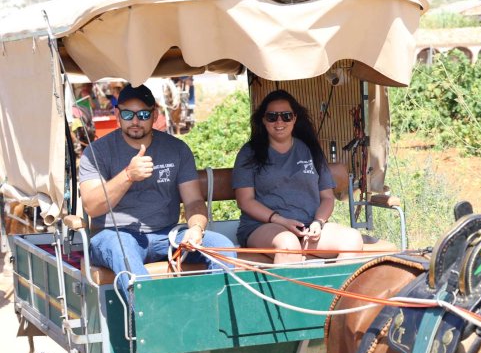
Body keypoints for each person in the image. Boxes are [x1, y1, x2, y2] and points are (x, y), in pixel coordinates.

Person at [78, 84, 236, 300]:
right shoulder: (97, 151)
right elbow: (92, 206)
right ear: (117, 114)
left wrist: (196, 228)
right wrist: (128, 175)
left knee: (222, 246)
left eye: (143, 114)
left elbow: (194, 202)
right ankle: (153, 325)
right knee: (123, 250)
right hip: (115, 235)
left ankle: (211, 315)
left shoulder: (176, 149)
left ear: (154, 115)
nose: (135, 121)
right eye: (127, 114)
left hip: (167, 234)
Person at [232, 89, 363, 263]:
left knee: (353, 239)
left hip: (308, 227)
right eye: (272, 117)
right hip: (264, 227)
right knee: (288, 244)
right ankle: (285, 291)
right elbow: (245, 201)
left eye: (286, 116)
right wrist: (281, 221)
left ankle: (335, 290)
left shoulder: (311, 150)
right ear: (263, 120)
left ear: (294, 119)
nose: (279, 121)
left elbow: (327, 198)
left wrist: (318, 222)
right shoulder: (249, 152)